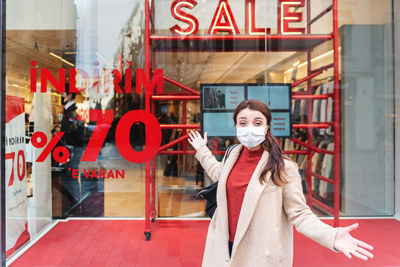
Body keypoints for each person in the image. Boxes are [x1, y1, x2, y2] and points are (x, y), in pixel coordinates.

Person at [188, 99, 373, 267]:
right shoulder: (232, 155)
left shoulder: (283, 167)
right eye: (243, 122)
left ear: (267, 127)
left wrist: (331, 236)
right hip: (222, 247)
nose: (249, 127)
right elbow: (218, 174)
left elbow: (299, 214)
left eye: (257, 122)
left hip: (259, 254)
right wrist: (202, 150)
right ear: (236, 126)